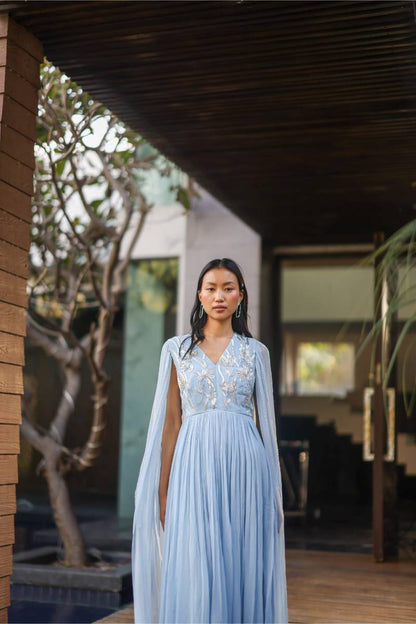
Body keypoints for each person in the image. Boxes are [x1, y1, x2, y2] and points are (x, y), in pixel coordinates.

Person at [131, 257, 288, 623]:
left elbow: (267, 426)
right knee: (195, 557)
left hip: (246, 466)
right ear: (199, 295)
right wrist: (163, 490)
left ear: (240, 296)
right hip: (192, 465)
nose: (220, 295)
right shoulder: (175, 349)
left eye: (228, 288)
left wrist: (273, 491)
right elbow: (171, 423)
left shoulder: (256, 352)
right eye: (211, 288)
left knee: (241, 555)